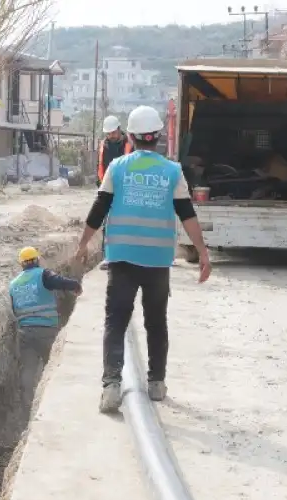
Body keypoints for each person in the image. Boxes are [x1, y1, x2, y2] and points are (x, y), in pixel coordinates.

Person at [75, 105, 212, 414]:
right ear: (159, 137)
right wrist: (203, 252)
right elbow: (187, 214)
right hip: (157, 261)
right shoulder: (172, 171)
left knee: (116, 320)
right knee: (155, 322)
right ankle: (157, 383)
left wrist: (83, 244)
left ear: (132, 137)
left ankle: (111, 386)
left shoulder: (118, 168)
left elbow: (99, 208)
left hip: (123, 258)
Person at [9, 246, 83, 362]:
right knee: (52, 363)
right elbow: (59, 281)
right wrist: (76, 285)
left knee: (28, 368)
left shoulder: (13, 284)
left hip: (25, 332)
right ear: (37, 260)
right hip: (46, 329)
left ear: (21, 264)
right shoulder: (43, 274)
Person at [97, 115, 134, 270]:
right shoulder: (104, 145)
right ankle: (108, 256)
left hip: (126, 188)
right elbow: (101, 166)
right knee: (108, 222)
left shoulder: (129, 144)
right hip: (109, 187)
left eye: (113, 132)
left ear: (119, 129)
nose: (110, 136)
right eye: (108, 133)